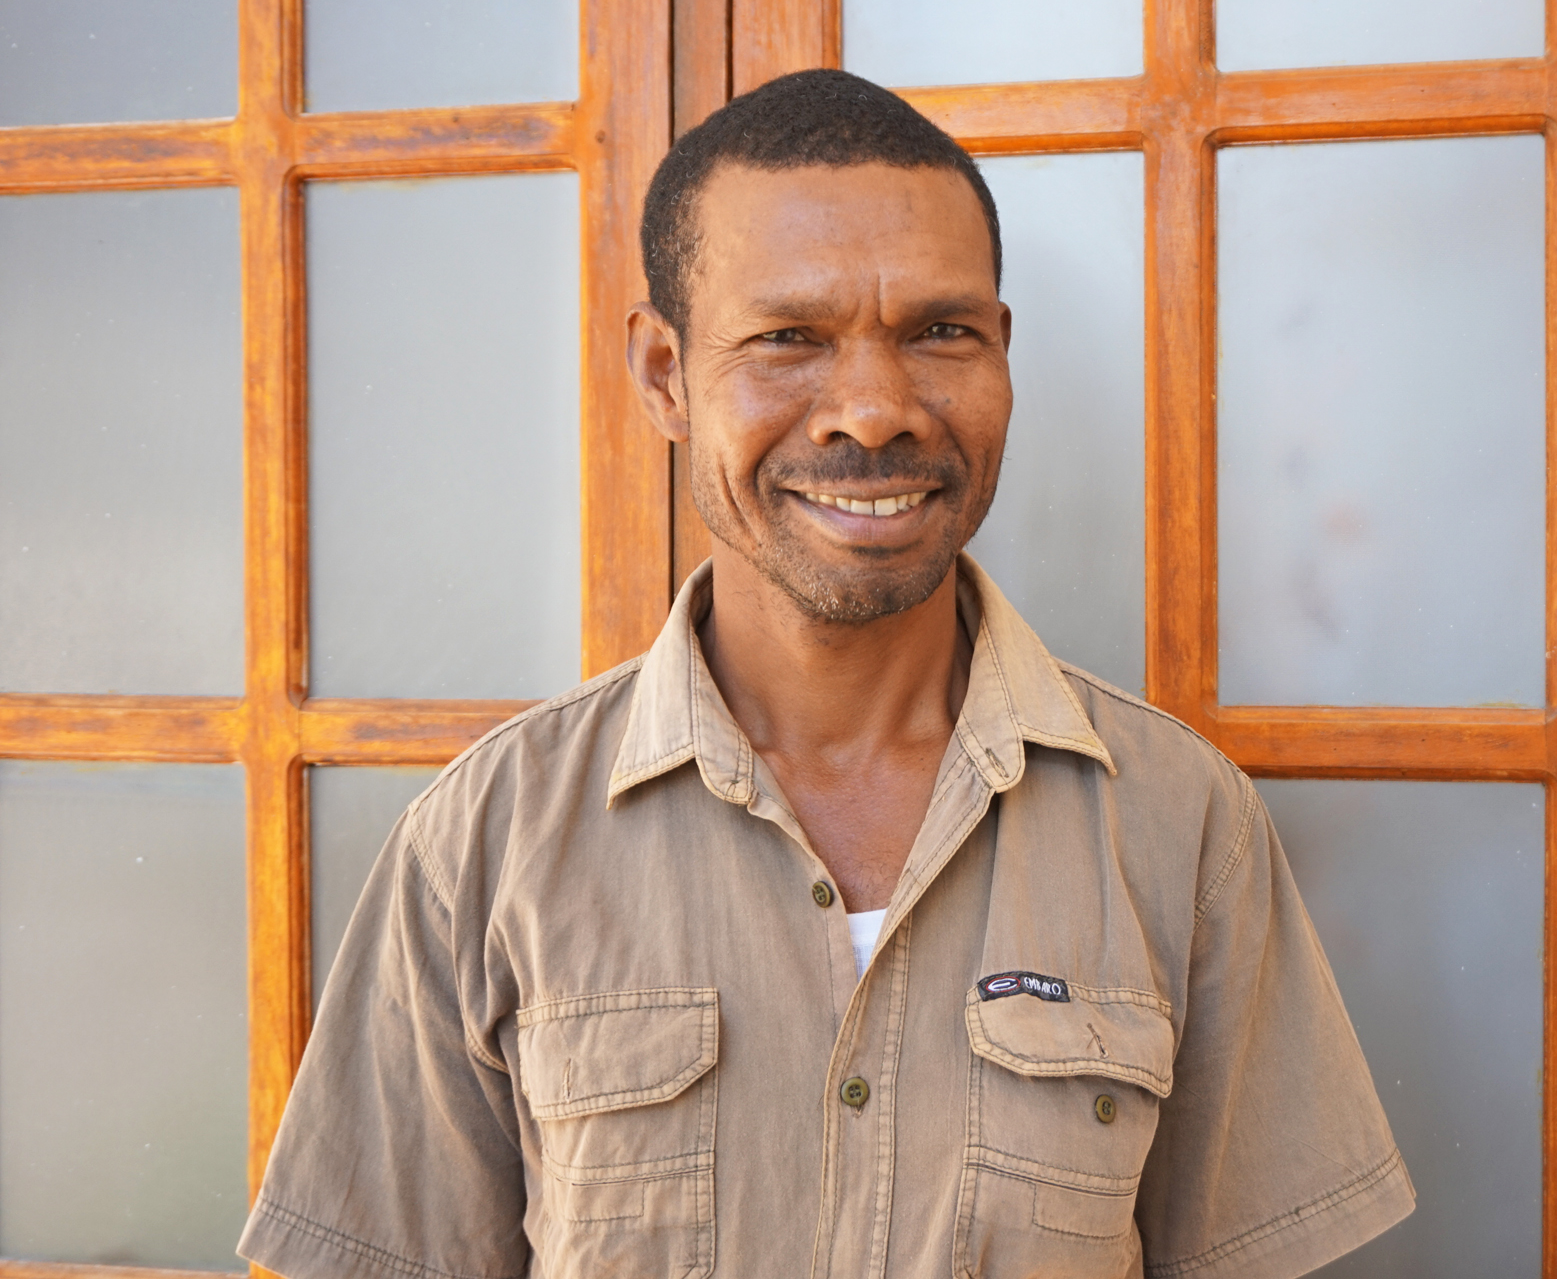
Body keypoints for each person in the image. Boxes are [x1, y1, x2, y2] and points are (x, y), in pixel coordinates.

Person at [239, 68, 1413, 1279]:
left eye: (937, 331)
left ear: (1001, 351)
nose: (871, 409)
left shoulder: (1178, 824)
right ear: (663, 373)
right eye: (788, 337)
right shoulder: (483, 845)